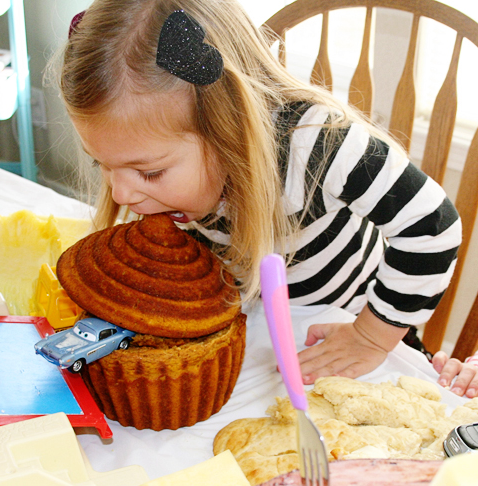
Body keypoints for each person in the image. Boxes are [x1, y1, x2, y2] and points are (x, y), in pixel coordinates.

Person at [51, 0, 461, 388]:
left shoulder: (317, 144)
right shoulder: (163, 183)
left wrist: (370, 337)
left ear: (227, 124)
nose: (120, 194)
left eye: (150, 172)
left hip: (348, 335)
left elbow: (433, 227)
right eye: (100, 164)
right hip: (258, 333)